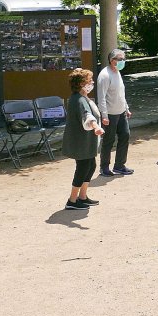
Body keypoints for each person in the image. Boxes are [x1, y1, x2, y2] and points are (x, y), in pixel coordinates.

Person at [63, 68, 105, 211]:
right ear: (81, 83)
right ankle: (72, 200)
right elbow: (87, 115)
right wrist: (96, 127)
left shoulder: (82, 97)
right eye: (89, 81)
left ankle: (83, 197)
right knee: (82, 168)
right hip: (80, 141)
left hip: (86, 140)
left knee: (90, 166)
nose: (92, 83)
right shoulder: (78, 100)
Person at [96, 48, 133, 176]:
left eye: (124, 58)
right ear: (112, 61)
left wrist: (126, 108)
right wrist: (104, 115)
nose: (123, 61)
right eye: (120, 59)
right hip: (110, 114)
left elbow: (120, 93)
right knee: (108, 140)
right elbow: (101, 97)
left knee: (125, 136)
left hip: (121, 112)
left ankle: (119, 165)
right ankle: (104, 167)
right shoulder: (105, 75)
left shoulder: (117, 72)